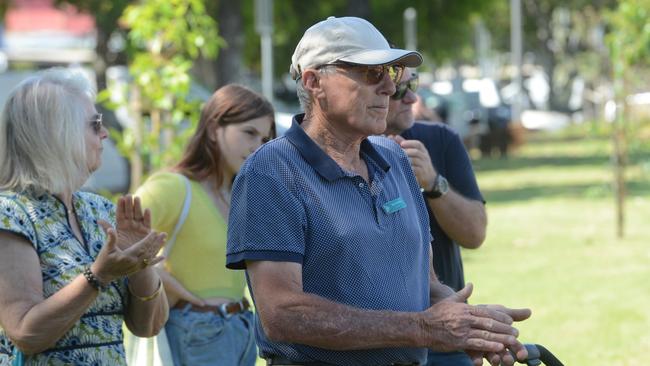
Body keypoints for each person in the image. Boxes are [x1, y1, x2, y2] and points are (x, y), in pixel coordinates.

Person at [226, 16, 530, 366]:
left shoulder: (394, 158)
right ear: (314, 82)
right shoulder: (272, 171)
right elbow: (282, 313)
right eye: (372, 73)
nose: (389, 87)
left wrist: (471, 326)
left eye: (393, 73)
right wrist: (424, 330)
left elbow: (425, 284)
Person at [0, 68, 168, 365]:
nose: (104, 133)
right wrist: (98, 275)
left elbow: (148, 327)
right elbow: (25, 332)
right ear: (57, 134)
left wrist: (140, 264)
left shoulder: (98, 209)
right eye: (94, 124)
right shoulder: (11, 214)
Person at [135, 84, 274, 366]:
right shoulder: (173, 187)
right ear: (213, 130)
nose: (257, 147)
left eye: (264, 138)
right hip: (197, 332)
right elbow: (116, 242)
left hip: (245, 331)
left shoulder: (241, 198)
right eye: (249, 133)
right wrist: (182, 294)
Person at [385, 69, 487, 366]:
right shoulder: (339, 155)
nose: (413, 98)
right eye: (399, 91)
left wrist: (433, 182)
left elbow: (475, 234)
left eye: (412, 86)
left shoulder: (440, 139)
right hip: (374, 342)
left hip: (445, 338)